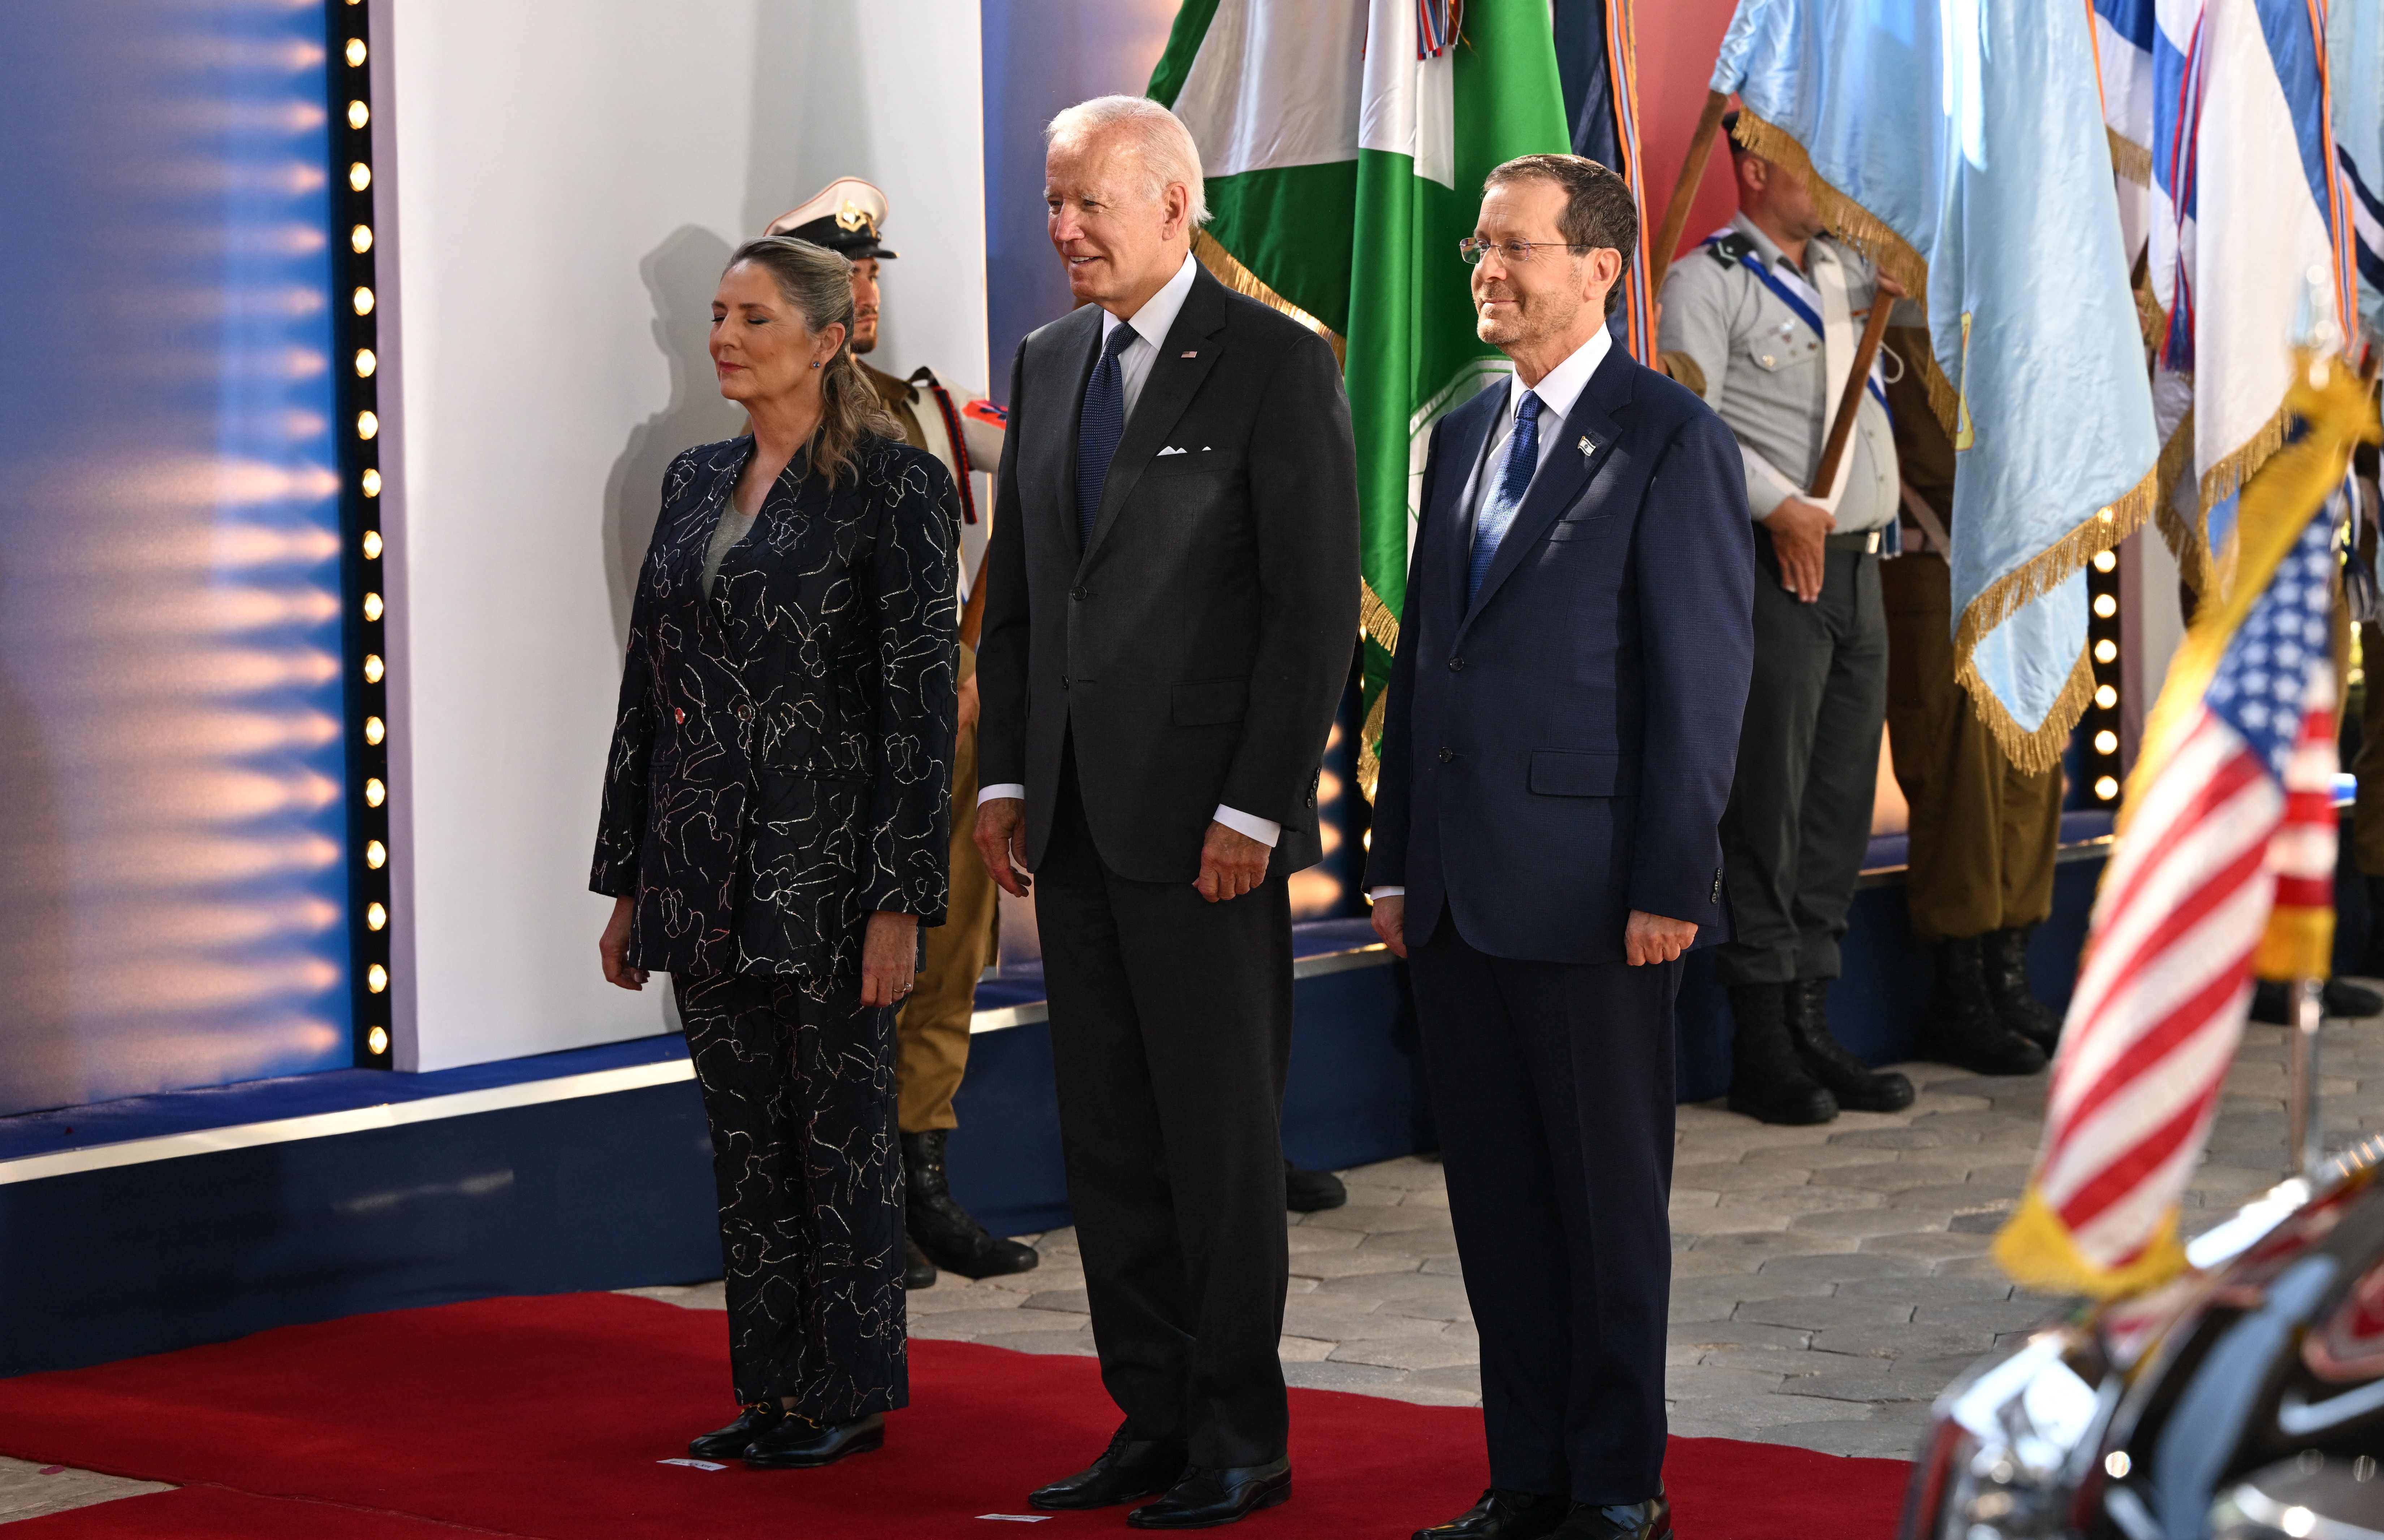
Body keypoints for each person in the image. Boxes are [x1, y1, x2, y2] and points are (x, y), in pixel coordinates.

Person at [972, 95, 1358, 1529]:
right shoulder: (1051, 357)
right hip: (1069, 828)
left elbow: (1313, 606)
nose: (1063, 228)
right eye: (1053, 203)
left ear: (1176, 204)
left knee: (1217, 1144)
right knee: (1113, 1146)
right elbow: (1023, 599)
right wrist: (1007, 776)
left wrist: (1259, 805)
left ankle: (1239, 1439)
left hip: (1211, 835)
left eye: (1089, 203)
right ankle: (1149, 1416)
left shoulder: (1273, 360)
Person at [1369, 152, 1751, 1540]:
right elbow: (1431, 664)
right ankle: (1522, 1474)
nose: (1486, 268)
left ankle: (1612, 1486)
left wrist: (1669, 882)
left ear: (1599, 268)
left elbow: (1699, 686)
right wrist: (1397, 856)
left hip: (1596, 901)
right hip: (1462, 896)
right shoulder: (1467, 431)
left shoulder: (1668, 438)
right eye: (1480, 245)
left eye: (1514, 247)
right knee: (1502, 1213)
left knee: (1604, 1213)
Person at [590, 235, 959, 1471]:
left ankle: (846, 1391)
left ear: (827, 334)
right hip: (700, 870)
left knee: (838, 1140)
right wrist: (629, 878)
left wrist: (903, 899)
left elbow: (920, 707)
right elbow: (650, 687)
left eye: (751, 315)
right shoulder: (694, 479)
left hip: (833, 873)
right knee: (746, 1145)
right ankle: (772, 1387)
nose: (724, 338)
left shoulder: (898, 489)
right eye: (716, 315)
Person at [764, 179, 1036, 1289]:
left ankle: (923, 1181)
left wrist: (976, 653)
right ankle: (845, 1194)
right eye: (842, 275)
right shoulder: (768, 426)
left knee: (951, 953)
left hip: (948, 741)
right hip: (835, 748)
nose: (865, 293)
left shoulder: (933, 411)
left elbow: (1030, 508)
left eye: (871, 273)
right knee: (835, 964)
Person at [1657, 112, 1916, 1126]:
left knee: (1839, 798)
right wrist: (1782, 508)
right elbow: (1694, 423)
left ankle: (1816, 1015)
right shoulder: (1706, 281)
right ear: (1757, 169)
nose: (1833, 178)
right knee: (1769, 799)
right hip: (1776, 568)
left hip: (1858, 568)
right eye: (1813, 160)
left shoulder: (1853, 270)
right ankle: (1763, 1035)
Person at [1876, 325, 2059, 1075]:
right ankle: (1959, 991)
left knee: (2030, 767)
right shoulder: (1903, 312)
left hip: (2027, 567)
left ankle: (2005, 968)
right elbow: (1933, 457)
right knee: (1961, 776)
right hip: (1942, 562)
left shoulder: (2020, 307)